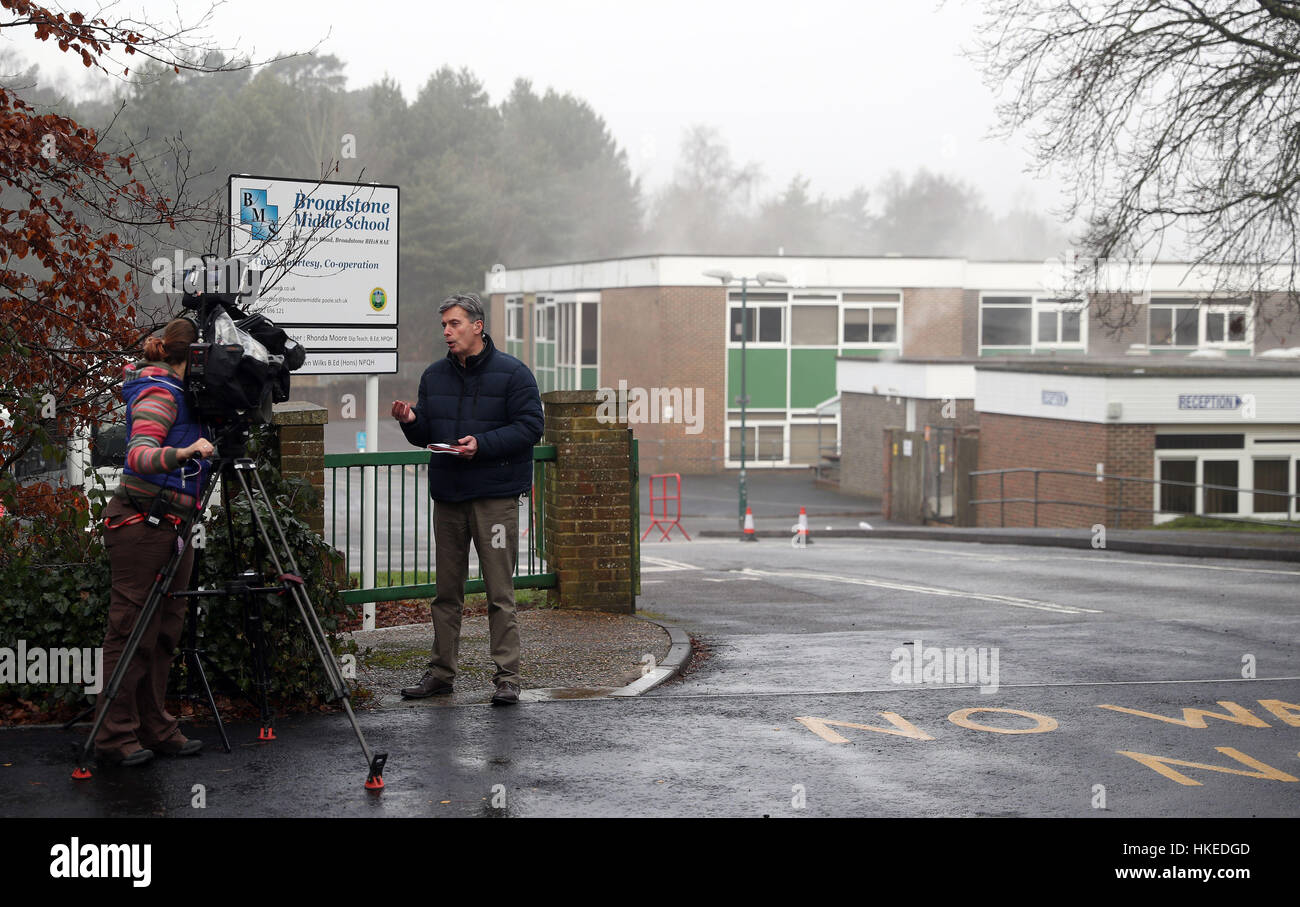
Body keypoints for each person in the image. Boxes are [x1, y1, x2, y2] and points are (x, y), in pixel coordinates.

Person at [392, 293, 543, 705]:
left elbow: (531, 426)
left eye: (454, 324)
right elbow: (427, 433)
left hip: (494, 498)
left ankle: (507, 677)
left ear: (477, 326)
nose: (447, 332)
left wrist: (484, 444)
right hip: (449, 497)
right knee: (446, 592)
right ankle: (441, 673)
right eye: (444, 325)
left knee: (499, 592)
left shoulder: (514, 374)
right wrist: (411, 421)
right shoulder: (434, 376)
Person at [94, 317, 214, 765]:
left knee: (164, 631)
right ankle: (112, 736)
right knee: (130, 631)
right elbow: (140, 455)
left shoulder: (188, 396)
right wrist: (185, 452)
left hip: (173, 524)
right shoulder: (160, 390)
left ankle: (153, 725)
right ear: (192, 357)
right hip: (142, 522)